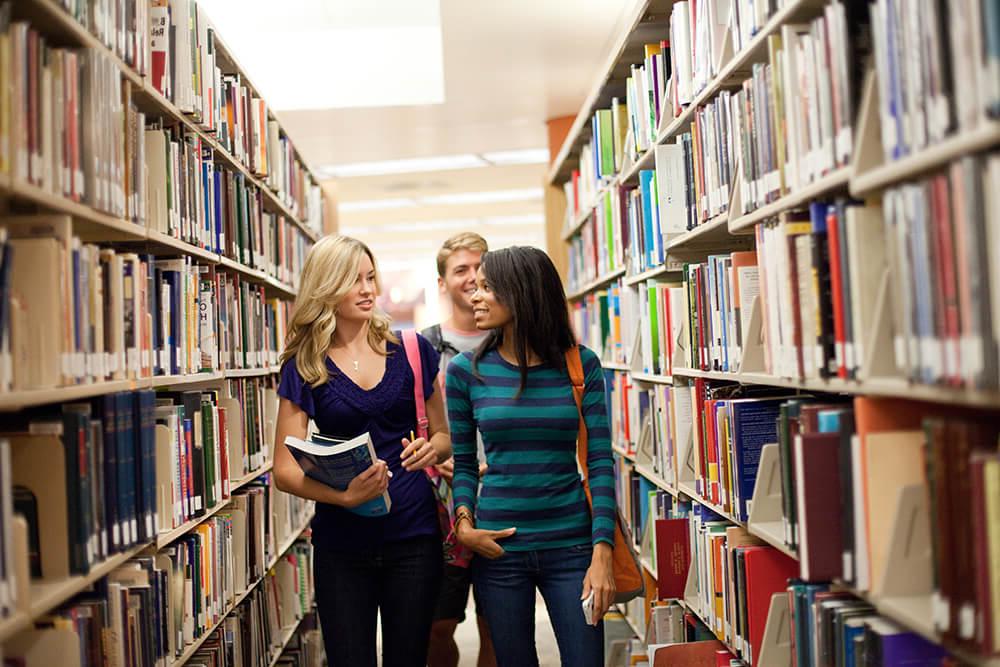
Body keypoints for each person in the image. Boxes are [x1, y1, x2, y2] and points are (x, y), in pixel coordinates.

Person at [272, 235, 451, 667]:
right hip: (342, 542)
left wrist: (431, 450)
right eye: (354, 280)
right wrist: (344, 497)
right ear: (326, 286)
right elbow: (283, 469)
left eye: (371, 277)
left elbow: (444, 435)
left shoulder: (412, 351)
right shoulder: (306, 364)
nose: (369, 289)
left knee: (407, 659)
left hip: (413, 537)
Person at [446, 246, 616, 667]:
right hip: (500, 552)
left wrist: (603, 551)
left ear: (521, 293)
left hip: (573, 548)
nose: (475, 297)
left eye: (488, 287)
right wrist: (464, 524)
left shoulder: (581, 366)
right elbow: (465, 463)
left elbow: (599, 463)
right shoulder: (465, 371)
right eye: (475, 287)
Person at [422, 232, 496, 667]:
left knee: (499, 624)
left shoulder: (511, 342)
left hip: (502, 499)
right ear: (442, 283)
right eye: (460, 269)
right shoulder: (423, 347)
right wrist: (438, 454)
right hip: (442, 508)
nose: (471, 278)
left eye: (479, 267)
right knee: (437, 626)